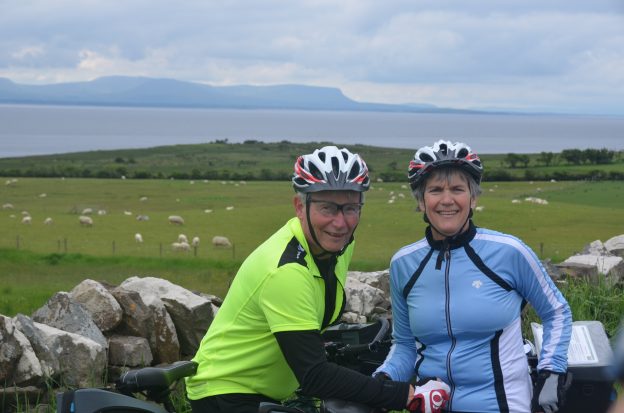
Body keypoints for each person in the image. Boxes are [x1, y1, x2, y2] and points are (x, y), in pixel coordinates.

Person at [186, 145, 451, 413]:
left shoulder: (337, 245)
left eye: (350, 208)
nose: (340, 222)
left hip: (265, 391)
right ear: (300, 207)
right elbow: (315, 376)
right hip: (224, 393)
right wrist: (406, 395)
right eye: (327, 208)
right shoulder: (286, 270)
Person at [374, 140, 573, 413]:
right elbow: (405, 346)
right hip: (433, 405)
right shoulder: (403, 264)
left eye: (457, 189)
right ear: (421, 201)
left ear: (473, 197)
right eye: (435, 190)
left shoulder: (509, 252)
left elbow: (557, 311)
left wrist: (552, 372)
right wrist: (380, 381)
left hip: (503, 404)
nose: (447, 200)